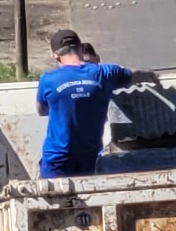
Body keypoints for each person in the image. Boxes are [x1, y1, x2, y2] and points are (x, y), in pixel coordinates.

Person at [34, 30, 153, 177]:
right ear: (80, 47)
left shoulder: (48, 80)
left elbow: (41, 110)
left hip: (57, 158)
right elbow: (135, 75)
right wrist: (152, 76)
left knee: (50, 197)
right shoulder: (105, 73)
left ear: (55, 56)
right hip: (88, 156)